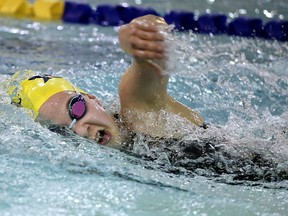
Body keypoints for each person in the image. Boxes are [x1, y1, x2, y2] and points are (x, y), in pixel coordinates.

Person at [8, 15, 206, 149]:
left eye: (75, 109)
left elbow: (150, 62)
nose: (79, 130)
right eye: (61, 131)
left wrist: (138, 35)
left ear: (93, 99)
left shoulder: (139, 115)